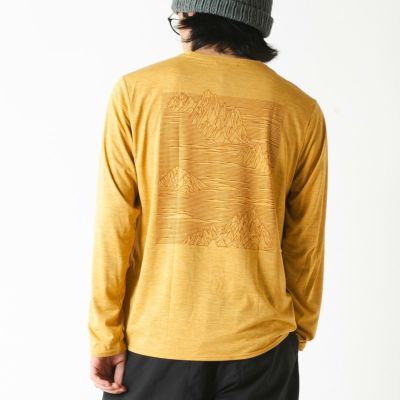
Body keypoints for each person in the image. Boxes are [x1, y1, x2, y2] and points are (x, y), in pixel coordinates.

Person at [88, 1, 328, 399]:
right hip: (263, 345)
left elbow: (114, 226)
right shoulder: (301, 109)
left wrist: (105, 334)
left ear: (189, 15)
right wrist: (295, 332)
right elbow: (305, 240)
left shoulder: (136, 92)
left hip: (157, 341)